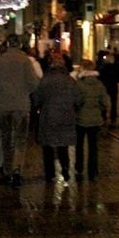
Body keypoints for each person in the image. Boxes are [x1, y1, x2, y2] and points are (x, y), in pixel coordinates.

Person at [0, 34, 40, 188]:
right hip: (21, 106)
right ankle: (17, 171)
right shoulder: (25, 61)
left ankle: (8, 171)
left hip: (3, 106)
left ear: (7, 44)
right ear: (20, 44)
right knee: (20, 140)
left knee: (6, 139)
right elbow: (34, 83)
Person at [32, 53, 81, 186]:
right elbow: (78, 99)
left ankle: (50, 174)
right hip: (66, 115)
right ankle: (65, 171)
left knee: (47, 146)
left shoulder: (45, 79)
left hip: (48, 115)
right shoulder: (70, 80)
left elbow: (37, 98)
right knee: (63, 145)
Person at [75, 59, 109, 182]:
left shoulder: (79, 84)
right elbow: (105, 102)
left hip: (80, 119)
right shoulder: (99, 85)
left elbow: (77, 101)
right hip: (95, 119)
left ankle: (79, 167)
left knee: (79, 145)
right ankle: (93, 170)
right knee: (93, 146)